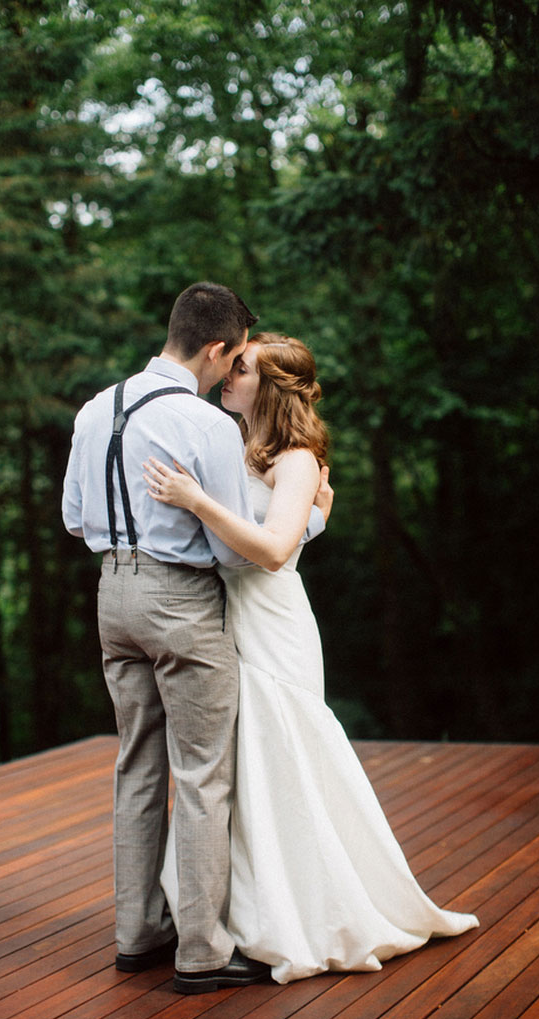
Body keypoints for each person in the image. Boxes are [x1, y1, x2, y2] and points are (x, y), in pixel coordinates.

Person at [144, 331, 479, 984]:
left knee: (283, 755)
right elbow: (262, 540)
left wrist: (198, 501)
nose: (227, 375)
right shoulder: (231, 444)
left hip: (274, 626)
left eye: (240, 368)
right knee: (234, 768)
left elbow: (271, 551)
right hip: (226, 617)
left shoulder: (296, 458)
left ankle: (307, 908)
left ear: (268, 385)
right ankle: (229, 914)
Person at [61, 284, 329, 995]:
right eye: (235, 355)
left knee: (136, 764)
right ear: (215, 349)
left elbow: (74, 518)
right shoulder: (203, 424)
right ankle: (203, 950)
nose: (234, 368)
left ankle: (136, 932)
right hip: (177, 601)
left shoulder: (96, 408)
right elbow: (242, 553)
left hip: (110, 596)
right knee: (204, 772)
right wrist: (308, 522)